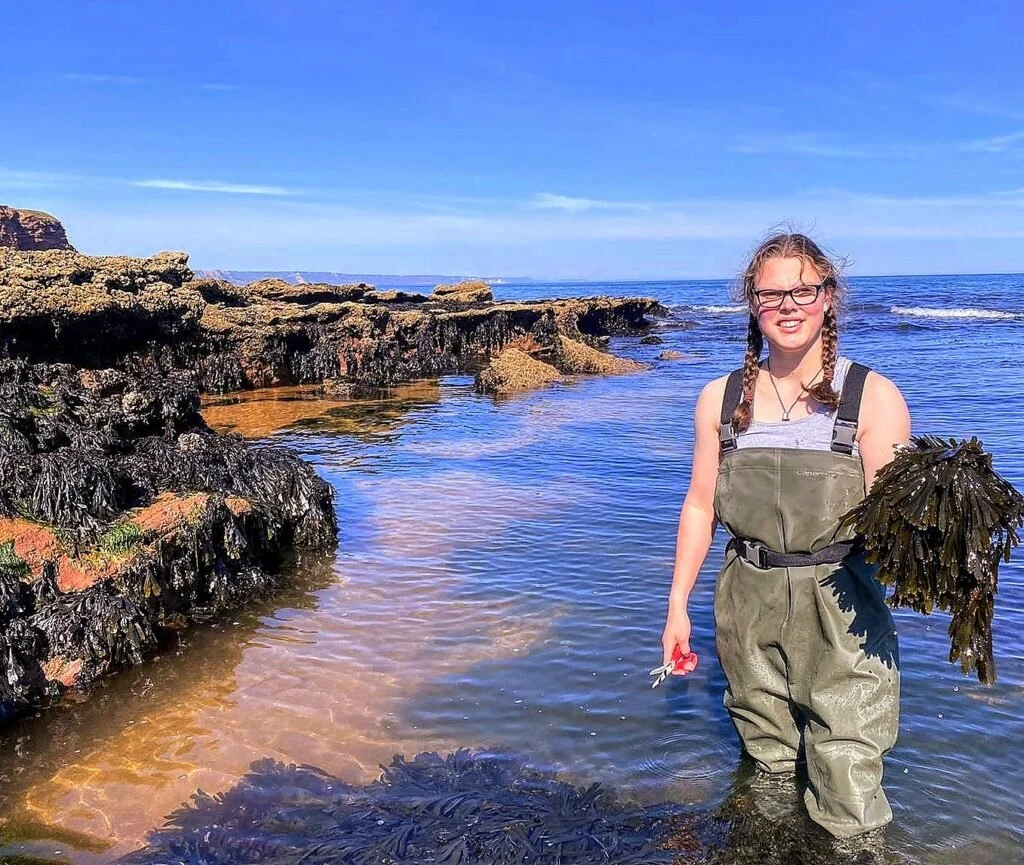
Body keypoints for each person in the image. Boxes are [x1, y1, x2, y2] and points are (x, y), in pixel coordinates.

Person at [661, 231, 910, 839]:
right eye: (771, 294)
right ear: (752, 303)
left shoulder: (871, 398)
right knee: (765, 760)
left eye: (803, 291)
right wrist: (677, 605)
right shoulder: (720, 399)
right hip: (746, 597)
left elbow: (893, 525)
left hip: (841, 603)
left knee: (848, 772)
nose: (788, 306)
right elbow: (700, 506)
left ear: (828, 297)